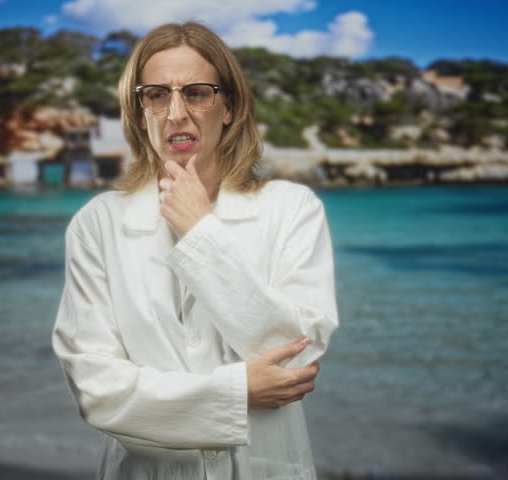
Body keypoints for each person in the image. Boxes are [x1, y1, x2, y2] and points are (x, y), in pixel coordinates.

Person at [52, 22, 338, 480]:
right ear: (139, 112)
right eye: (156, 95)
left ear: (229, 106)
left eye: (197, 93)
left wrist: (199, 230)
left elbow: (296, 358)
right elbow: (96, 389)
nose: (176, 113)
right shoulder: (98, 223)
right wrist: (237, 393)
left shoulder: (292, 209)